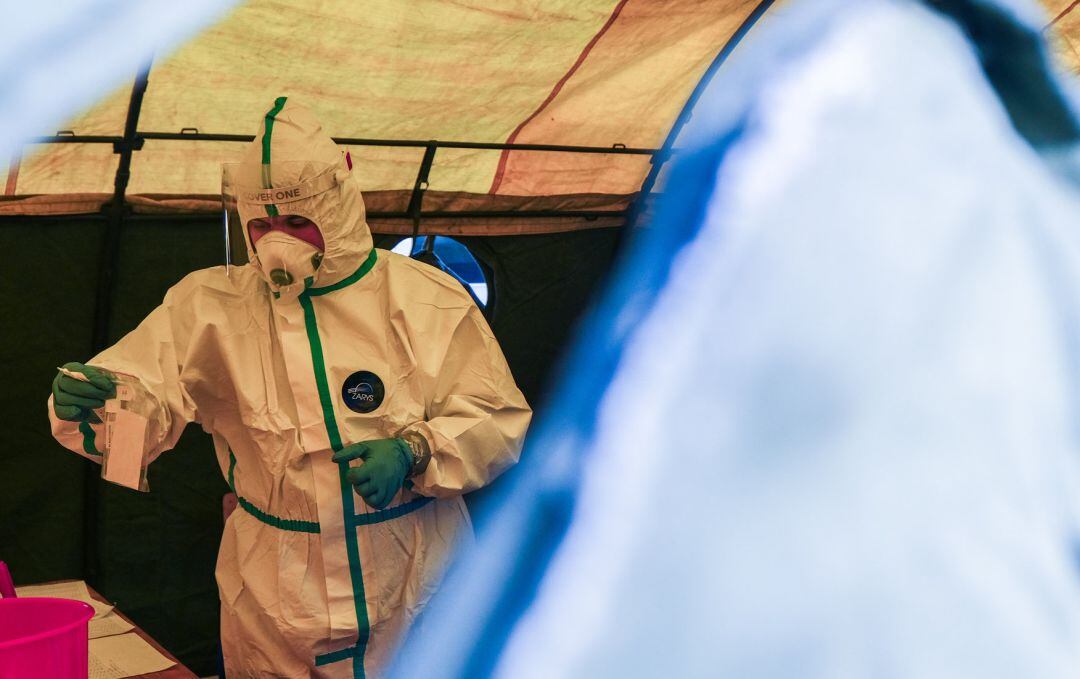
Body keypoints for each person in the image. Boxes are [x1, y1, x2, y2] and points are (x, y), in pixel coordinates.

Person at [48, 97, 532, 678]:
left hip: (410, 571)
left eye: (298, 222)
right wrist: (99, 405)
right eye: (262, 225)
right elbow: (146, 391)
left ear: (338, 209)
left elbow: (496, 418)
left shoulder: (423, 297)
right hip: (275, 593)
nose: (278, 244)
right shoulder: (209, 305)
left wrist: (414, 451)